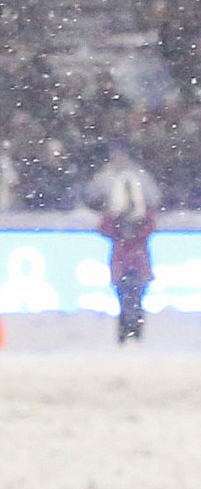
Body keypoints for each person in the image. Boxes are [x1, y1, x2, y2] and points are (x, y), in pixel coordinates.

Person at [86, 145, 160, 343]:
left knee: (133, 297)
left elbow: (107, 229)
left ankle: (132, 332)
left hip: (129, 260)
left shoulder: (140, 213)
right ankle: (129, 332)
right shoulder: (121, 214)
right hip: (129, 260)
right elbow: (105, 228)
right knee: (127, 298)